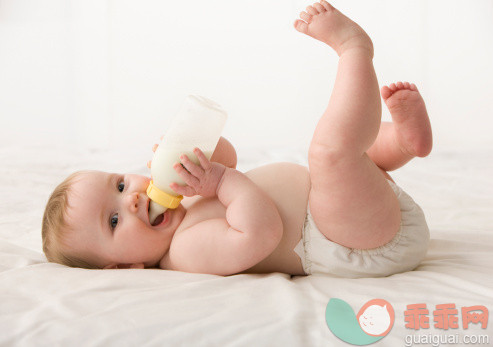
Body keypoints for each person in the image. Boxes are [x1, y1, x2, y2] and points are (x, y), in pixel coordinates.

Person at [42, 1, 432, 277]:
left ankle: (400, 143)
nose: (132, 198)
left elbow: (227, 160)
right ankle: (354, 49)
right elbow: (262, 234)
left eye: (121, 184)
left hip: (358, 206)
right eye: (113, 220)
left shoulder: (182, 203)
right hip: (354, 240)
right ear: (125, 268)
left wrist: (195, 155)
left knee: (352, 161)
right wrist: (220, 182)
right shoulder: (186, 251)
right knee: (331, 153)